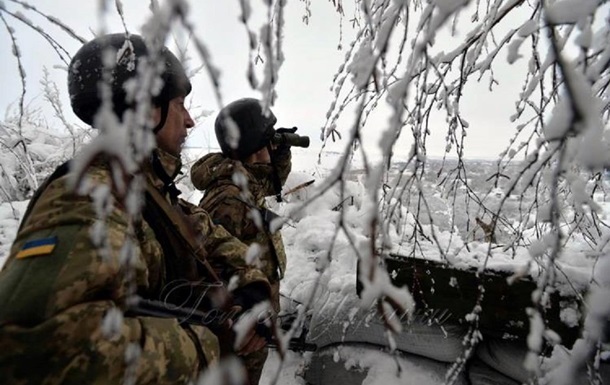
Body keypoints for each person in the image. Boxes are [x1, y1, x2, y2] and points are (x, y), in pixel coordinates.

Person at [0, 33, 270, 384]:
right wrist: (206, 343)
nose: (189, 121)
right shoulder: (88, 195)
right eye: (179, 105)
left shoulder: (149, 194)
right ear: (148, 108)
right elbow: (41, 348)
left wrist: (253, 293)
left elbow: (214, 240)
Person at [191, 98, 297, 385]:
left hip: (255, 322)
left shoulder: (244, 181)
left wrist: (281, 153)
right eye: (268, 142)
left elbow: (271, 181)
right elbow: (208, 267)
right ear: (256, 147)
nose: (273, 148)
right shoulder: (229, 199)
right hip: (239, 330)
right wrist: (243, 315)